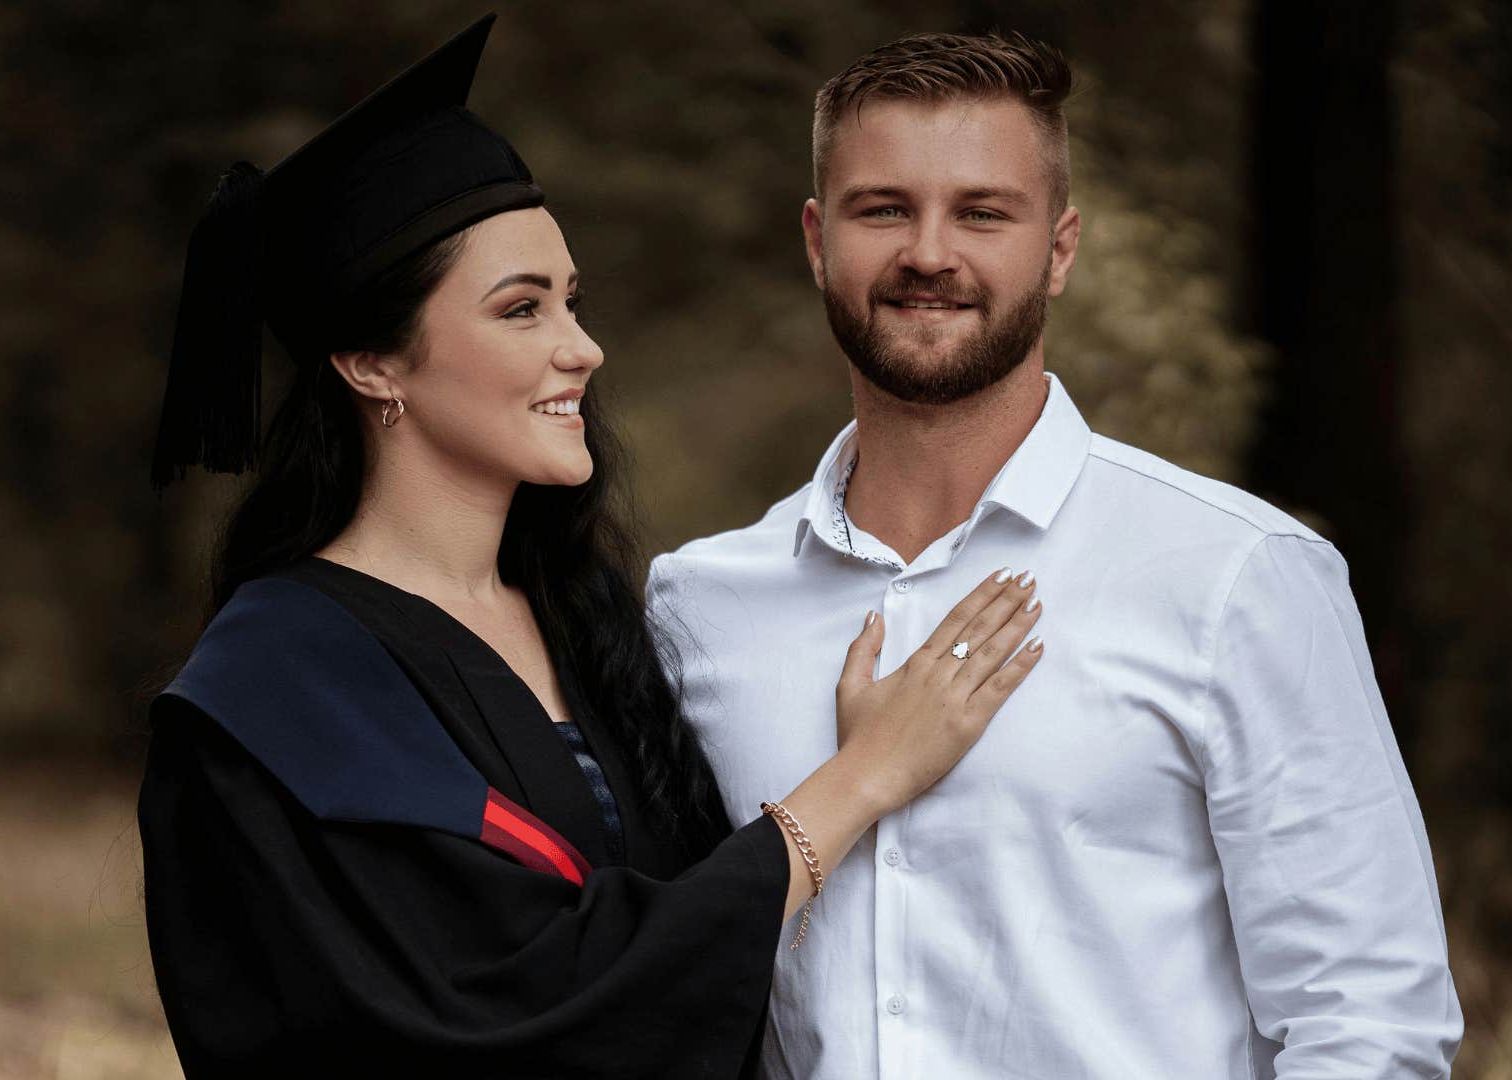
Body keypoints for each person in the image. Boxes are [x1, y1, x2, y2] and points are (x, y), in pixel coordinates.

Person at [137, 16, 1046, 1077]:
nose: (582, 346)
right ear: (372, 362)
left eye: (572, 299)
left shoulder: (590, 620)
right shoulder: (278, 691)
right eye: (522, 310)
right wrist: (860, 779)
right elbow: (514, 1014)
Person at [647, 29, 1462, 1079]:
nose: (929, 253)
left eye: (983, 212)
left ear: (1061, 249)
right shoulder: (699, 607)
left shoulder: (1236, 574)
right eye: (883, 208)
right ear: (817, 240)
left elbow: (1370, 1022)